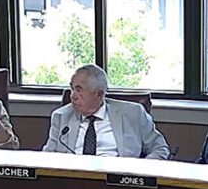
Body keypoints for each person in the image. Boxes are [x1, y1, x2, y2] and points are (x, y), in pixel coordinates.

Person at [42, 65, 170, 159]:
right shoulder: (61, 116)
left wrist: (141, 171)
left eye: (79, 90)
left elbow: (160, 148)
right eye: (72, 89)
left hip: (118, 183)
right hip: (72, 182)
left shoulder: (133, 113)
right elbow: (48, 157)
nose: (73, 96)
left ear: (99, 94)